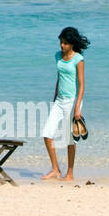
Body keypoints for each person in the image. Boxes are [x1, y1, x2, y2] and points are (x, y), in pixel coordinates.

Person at [41, 26, 87, 181]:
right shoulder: (57, 56)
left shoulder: (78, 59)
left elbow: (81, 85)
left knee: (69, 139)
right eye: (61, 42)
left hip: (72, 101)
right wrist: (54, 97)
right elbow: (59, 77)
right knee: (47, 134)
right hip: (59, 101)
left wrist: (77, 108)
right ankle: (55, 170)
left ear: (72, 44)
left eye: (65, 43)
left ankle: (70, 173)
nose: (62, 45)